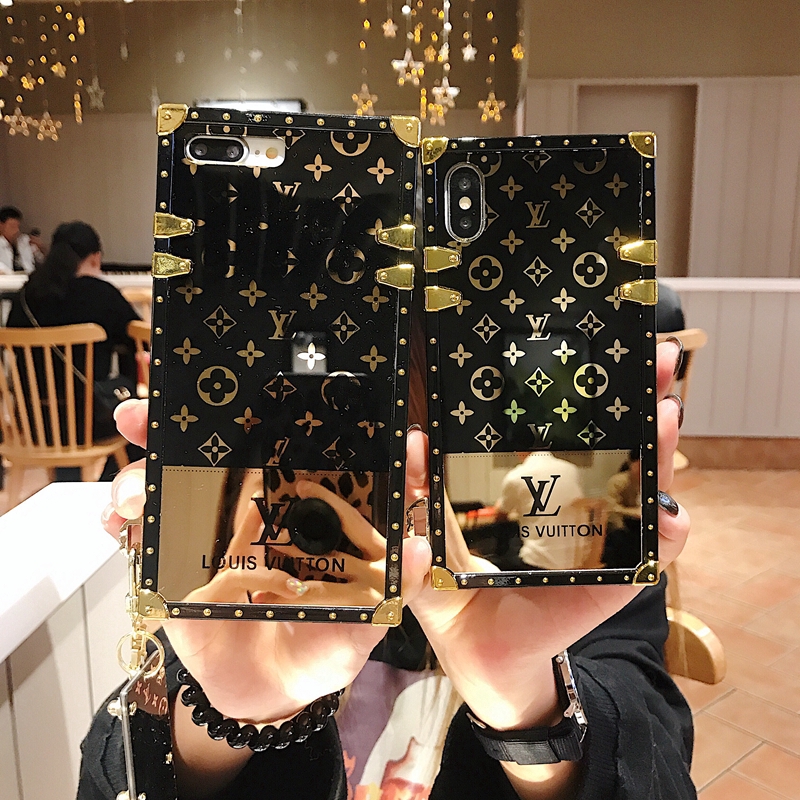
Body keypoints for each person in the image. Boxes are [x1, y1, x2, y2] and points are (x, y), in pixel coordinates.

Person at [80, 341, 690, 800]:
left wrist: (524, 705)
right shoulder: (244, 570)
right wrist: (230, 721)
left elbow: (649, 738)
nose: (389, 492)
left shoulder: (580, 573)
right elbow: (122, 755)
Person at [6, 221, 140, 474]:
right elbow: (136, 337)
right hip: (90, 422)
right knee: (141, 416)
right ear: (95, 257)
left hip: (34, 424)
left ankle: (67, 481)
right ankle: (108, 483)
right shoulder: (101, 294)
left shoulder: (25, 295)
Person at [0, 206, 35, 274]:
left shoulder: (23, 240)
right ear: (1, 226)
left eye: (18, 226)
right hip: (8, 278)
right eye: (12, 227)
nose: (17, 230)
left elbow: (41, 258)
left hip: (28, 276)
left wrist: (40, 246)